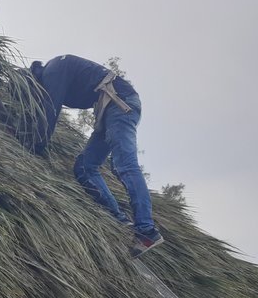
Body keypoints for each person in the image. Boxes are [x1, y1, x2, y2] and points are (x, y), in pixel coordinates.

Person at [28, 54, 163, 257]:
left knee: (124, 165)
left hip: (120, 104)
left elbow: (49, 112)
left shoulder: (52, 70)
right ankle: (120, 221)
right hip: (108, 110)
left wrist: (34, 146)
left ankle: (146, 231)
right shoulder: (58, 70)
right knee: (85, 167)